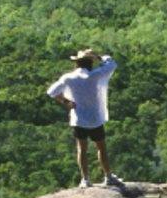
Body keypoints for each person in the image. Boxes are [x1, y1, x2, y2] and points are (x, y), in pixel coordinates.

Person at [47, 47, 122, 189]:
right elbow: (112, 64)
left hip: (79, 119)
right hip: (95, 118)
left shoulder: (68, 78)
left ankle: (85, 179)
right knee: (101, 148)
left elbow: (51, 91)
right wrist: (99, 56)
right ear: (90, 63)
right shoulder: (97, 75)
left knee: (82, 149)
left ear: (77, 64)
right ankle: (108, 176)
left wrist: (66, 102)